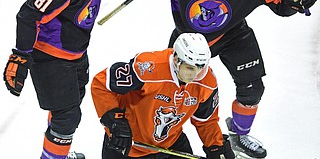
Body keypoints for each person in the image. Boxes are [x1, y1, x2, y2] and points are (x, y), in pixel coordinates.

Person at [101, 0, 317, 158]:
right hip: (189, 40)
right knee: (173, 90)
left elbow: (281, 2)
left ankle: (239, 134)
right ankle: (161, 133)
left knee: (253, 88)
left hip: (234, 34)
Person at [2, 0, 160, 159]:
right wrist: (20, 56)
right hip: (50, 55)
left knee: (67, 109)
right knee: (68, 117)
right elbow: (28, 15)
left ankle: (57, 153)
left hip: (76, 50)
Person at [91, 32, 235, 159]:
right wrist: (114, 121)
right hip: (128, 145)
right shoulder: (149, 69)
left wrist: (216, 146)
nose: (195, 75)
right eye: (190, 68)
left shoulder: (206, 82)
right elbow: (101, 84)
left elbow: (206, 121)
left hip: (171, 145)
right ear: (177, 60)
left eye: (201, 68)